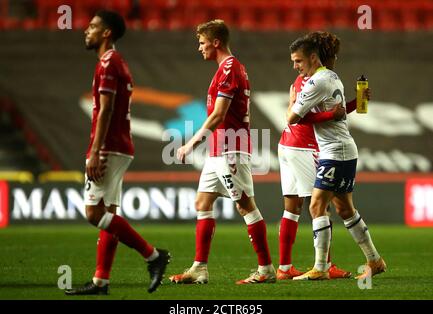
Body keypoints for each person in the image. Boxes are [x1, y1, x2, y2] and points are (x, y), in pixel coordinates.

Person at [65, 10, 170, 295]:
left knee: (93, 212)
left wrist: (96, 150)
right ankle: (101, 281)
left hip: (109, 146)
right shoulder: (116, 62)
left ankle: (153, 256)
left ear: (106, 33)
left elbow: (106, 109)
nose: (86, 31)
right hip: (121, 145)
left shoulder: (108, 63)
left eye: (93, 27)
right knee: (109, 211)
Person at [169, 19, 276, 285]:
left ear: (216, 42)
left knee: (245, 206)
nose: (199, 48)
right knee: (202, 203)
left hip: (230, 150)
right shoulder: (225, 69)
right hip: (218, 150)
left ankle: (266, 270)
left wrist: (191, 143)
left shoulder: (229, 68)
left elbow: (219, 114)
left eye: (202, 43)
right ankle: (199, 269)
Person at [285, 36, 386, 281]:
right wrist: (350, 105)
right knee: (344, 208)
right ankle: (374, 260)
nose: (295, 66)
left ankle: (320, 267)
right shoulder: (331, 76)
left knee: (317, 205)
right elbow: (336, 112)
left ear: (312, 57)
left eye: (298, 61)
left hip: (335, 152)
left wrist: (324, 112)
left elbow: (292, 118)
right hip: (342, 150)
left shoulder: (316, 82)